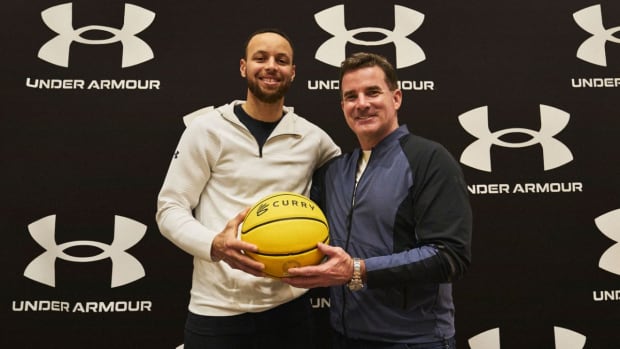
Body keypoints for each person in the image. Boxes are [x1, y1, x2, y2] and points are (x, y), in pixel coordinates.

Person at [155, 28, 341, 349]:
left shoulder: (314, 139)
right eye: (261, 58)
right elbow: (170, 208)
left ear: (292, 73)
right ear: (244, 67)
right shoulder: (207, 130)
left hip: (289, 309)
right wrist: (215, 244)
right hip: (216, 309)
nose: (271, 66)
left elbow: (350, 192)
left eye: (281, 60)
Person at [282, 52, 472, 349]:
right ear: (343, 106)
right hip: (344, 337)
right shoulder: (334, 171)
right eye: (351, 96)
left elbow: (449, 256)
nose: (362, 104)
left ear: (396, 98)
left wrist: (357, 270)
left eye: (372, 92)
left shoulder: (430, 159)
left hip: (414, 341)